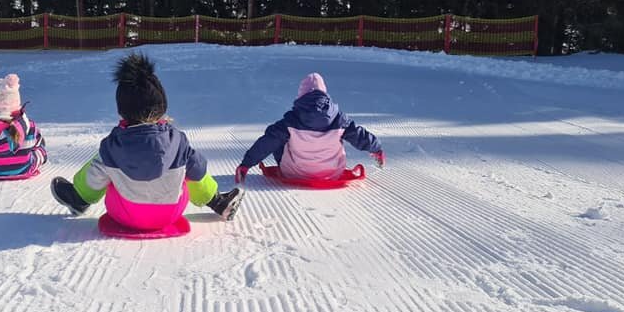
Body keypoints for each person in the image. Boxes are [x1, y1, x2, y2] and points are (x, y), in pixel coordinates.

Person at [51, 53, 242, 227]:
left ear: (122, 110)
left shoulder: (112, 145)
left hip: (125, 216)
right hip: (170, 214)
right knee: (189, 166)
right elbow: (198, 172)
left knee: (102, 162)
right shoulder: (178, 141)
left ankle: (80, 198)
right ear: (161, 106)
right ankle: (217, 202)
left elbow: (95, 178)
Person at [236, 72, 383, 182]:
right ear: (325, 94)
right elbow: (359, 136)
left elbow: (267, 142)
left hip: (294, 173)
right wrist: (376, 148)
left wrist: (246, 164)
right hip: (332, 174)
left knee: (275, 136)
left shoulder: (291, 119)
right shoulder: (338, 118)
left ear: (301, 96)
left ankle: (294, 163)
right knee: (340, 135)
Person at [0, 73, 47, 179]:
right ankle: (34, 157)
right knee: (38, 146)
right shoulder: (26, 125)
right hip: (25, 168)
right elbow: (35, 141)